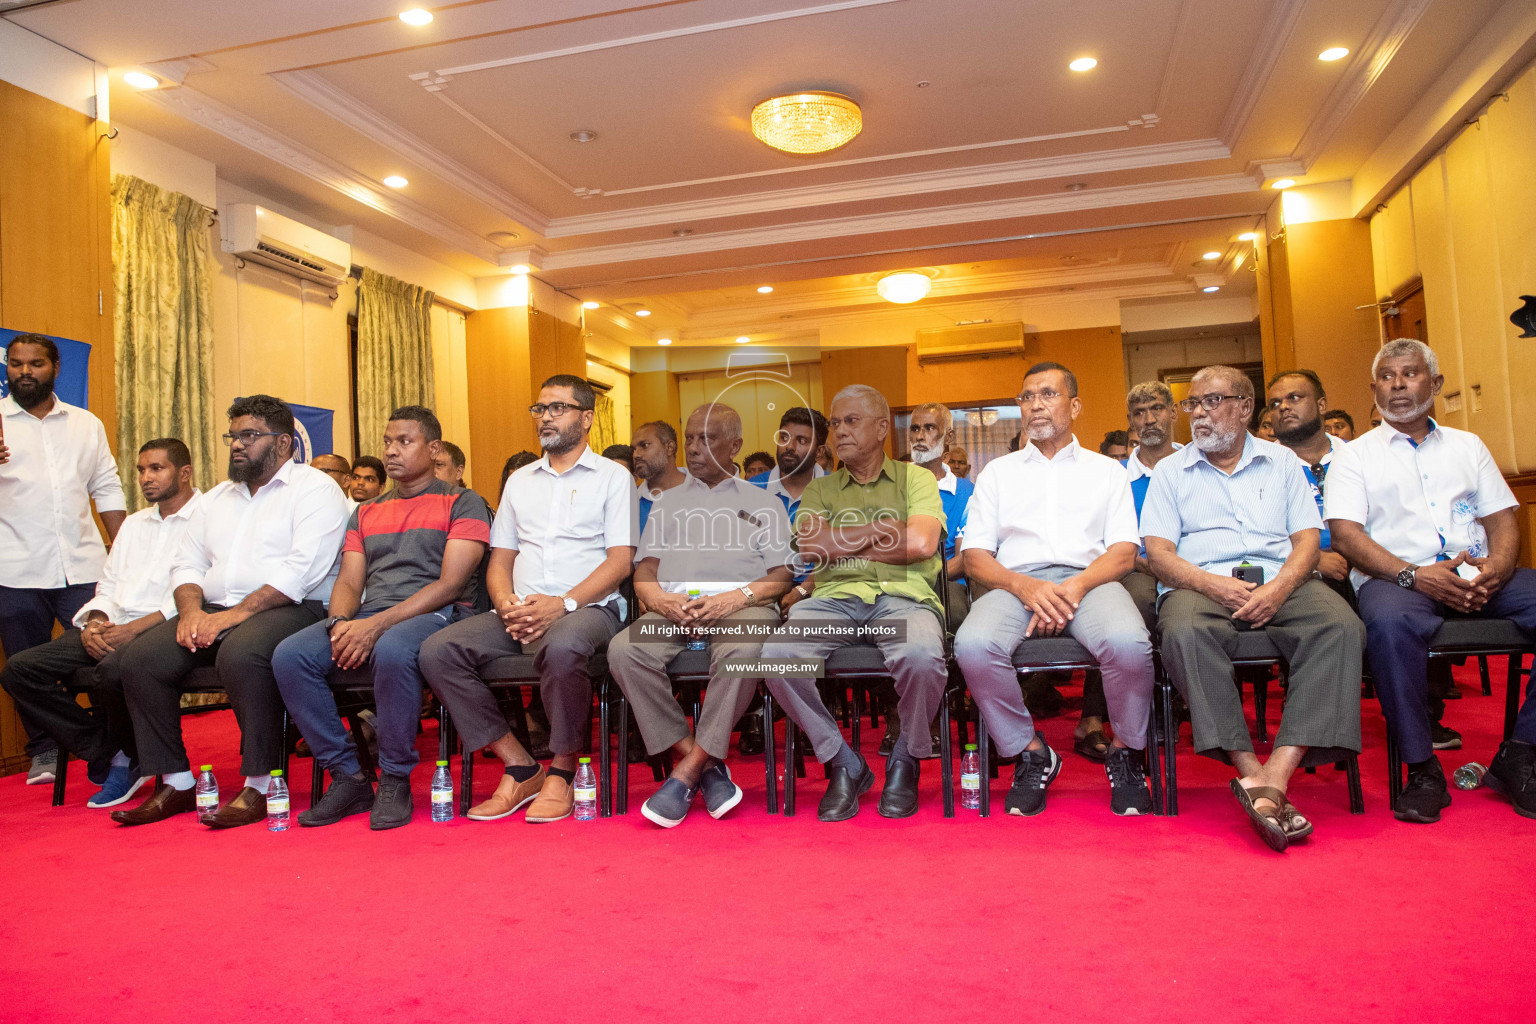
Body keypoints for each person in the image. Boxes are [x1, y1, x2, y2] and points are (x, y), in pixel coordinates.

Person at [1142, 365, 1364, 852]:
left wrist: (1281, 587)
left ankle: (1275, 775)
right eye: (1193, 404)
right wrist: (1213, 585)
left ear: (1245, 408)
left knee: (1340, 626)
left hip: (1279, 577)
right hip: (1200, 581)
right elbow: (1157, 554)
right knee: (1181, 631)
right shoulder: (1169, 471)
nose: (1199, 412)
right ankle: (1249, 769)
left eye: (1212, 401)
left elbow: (1306, 540)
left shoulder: (1282, 462)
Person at [111, 396, 349, 827]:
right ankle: (178, 781)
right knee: (140, 660)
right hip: (217, 609)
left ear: (283, 444)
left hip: (297, 607)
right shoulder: (217, 498)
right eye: (233, 436)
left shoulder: (315, 489)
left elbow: (302, 571)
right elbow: (186, 564)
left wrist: (232, 616)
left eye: (249, 436)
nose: (237, 445)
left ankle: (261, 783)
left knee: (241, 653)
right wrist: (189, 613)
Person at [1326, 338, 1536, 823]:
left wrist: (1497, 568)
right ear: (1373, 386)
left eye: (1411, 373)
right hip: (1396, 578)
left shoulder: (1469, 446)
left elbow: (1503, 517)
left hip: (1477, 573)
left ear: (1435, 383)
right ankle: (1422, 768)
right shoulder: (1354, 456)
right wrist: (1414, 575)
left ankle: (1521, 752)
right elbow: (1346, 534)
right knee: (1387, 625)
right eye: (1387, 376)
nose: (1398, 385)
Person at [419, 375, 635, 824]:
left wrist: (563, 605)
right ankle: (520, 765)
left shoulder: (614, 478)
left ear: (587, 418)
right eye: (540, 409)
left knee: (564, 646)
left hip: (589, 609)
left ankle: (562, 770)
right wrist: (506, 606)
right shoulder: (519, 480)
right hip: (520, 609)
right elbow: (501, 559)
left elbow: (620, 563)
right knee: (438, 651)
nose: (546, 417)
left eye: (558, 408)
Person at [273, 407, 490, 829]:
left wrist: (375, 625)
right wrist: (339, 624)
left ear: (433, 448)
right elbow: (350, 582)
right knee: (290, 655)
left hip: (439, 613)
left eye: (404, 442)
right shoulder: (366, 511)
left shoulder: (464, 502)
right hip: (374, 614)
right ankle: (348, 776)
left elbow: (449, 585)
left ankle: (395, 776)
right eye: (387, 442)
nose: (391, 451)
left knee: (391, 649)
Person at [955, 363, 1155, 816]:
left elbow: (1124, 551)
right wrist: (1023, 586)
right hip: (1015, 583)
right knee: (972, 644)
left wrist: (1073, 587)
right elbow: (976, 556)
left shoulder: (1108, 471)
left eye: (1048, 393)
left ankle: (1124, 750)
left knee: (1129, 643)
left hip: (1091, 580)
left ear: (1075, 406)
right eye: (1027, 396)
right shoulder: (997, 474)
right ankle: (1030, 752)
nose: (1036, 404)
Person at [759, 384, 948, 821]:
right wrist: (884, 532)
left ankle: (906, 757)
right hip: (833, 603)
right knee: (777, 655)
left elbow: (921, 542)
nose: (838, 432)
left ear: (882, 428)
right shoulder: (822, 492)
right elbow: (810, 549)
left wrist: (841, 544)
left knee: (921, 655)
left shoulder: (916, 478)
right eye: (836, 423)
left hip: (902, 599)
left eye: (851, 421)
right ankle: (845, 762)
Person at [608, 402, 794, 827]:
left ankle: (688, 771)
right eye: (689, 437)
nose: (693, 447)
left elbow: (782, 574)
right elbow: (646, 570)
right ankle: (706, 766)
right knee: (624, 650)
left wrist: (735, 598)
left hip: (743, 605)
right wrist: (659, 601)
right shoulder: (666, 502)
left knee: (745, 650)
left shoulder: (764, 502)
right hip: (676, 608)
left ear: (736, 446)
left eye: (706, 439)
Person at [0, 438, 198, 807]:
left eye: (157, 469)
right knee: (20, 670)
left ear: (184, 473)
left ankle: (125, 759)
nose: (145, 478)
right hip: (114, 623)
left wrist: (133, 629)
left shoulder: (208, 518)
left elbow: (202, 591)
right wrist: (95, 621)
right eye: (140, 470)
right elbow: (108, 585)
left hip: (162, 626)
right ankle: (108, 750)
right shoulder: (135, 524)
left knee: (108, 670)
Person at [0, 333, 128, 784]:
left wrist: (125, 548)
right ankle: (47, 748)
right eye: (15, 364)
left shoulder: (84, 423)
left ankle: (113, 741)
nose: (24, 372)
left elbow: (107, 487)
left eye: (35, 363)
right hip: (14, 568)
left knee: (104, 655)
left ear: (54, 367)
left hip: (84, 564)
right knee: (24, 665)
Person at [632, 420, 687, 532]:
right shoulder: (630, 501)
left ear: (669, 448)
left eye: (645, 445)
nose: (636, 455)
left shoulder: (704, 491)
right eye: (633, 449)